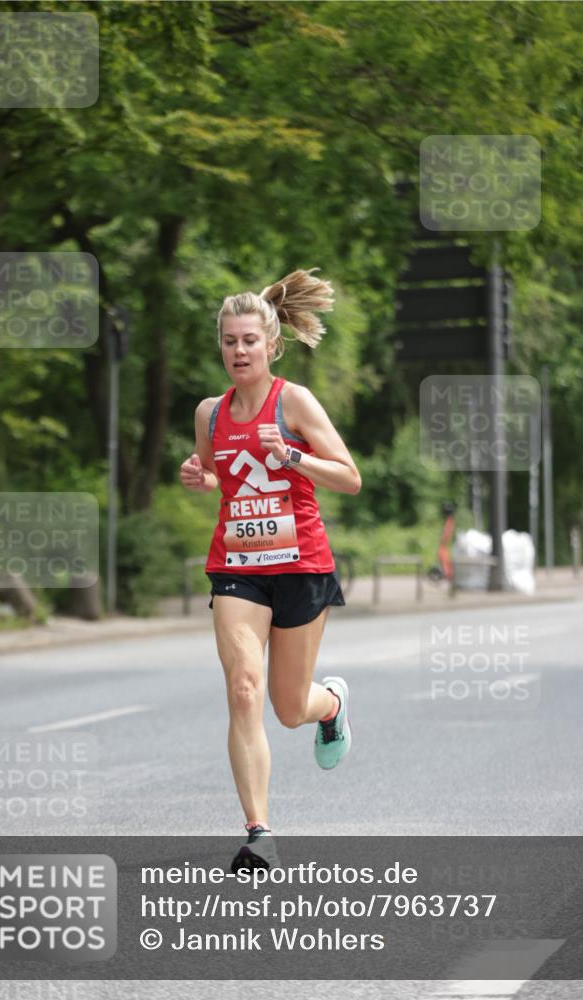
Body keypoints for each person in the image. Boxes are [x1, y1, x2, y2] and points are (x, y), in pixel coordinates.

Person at [180, 268, 361, 870]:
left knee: (287, 708)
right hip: (238, 566)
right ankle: (259, 832)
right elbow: (214, 473)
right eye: (230, 341)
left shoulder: (295, 402)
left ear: (271, 343)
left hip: (301, 564)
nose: (239, 351)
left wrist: (295, 457)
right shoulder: (210, 413)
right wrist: (199, 476)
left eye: (249, 341)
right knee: (243, 688)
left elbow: (350, 478)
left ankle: (329, 706)